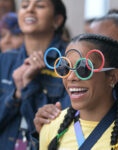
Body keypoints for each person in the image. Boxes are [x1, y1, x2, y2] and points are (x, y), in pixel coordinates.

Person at [40, 33, 118, 150]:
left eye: (83, 69)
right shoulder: (51, 128)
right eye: (65, 68)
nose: (71, 77)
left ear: (112, 77)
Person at [0, 0, 70, 150]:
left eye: (39, 6)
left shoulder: (69, 62)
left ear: (57, 20)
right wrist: (17, 93)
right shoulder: (5, 59)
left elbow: (62, 129)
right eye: (25, 6)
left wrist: (30, 86)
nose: (29, 10)